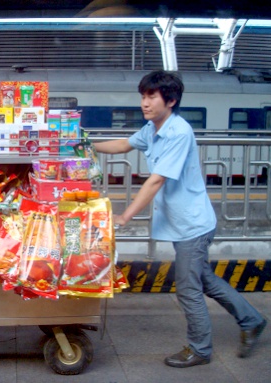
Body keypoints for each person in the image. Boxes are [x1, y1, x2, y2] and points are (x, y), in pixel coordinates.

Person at [94, 70, 267, 368]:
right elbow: (123, 144)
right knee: (205, 280)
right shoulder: (153, 128)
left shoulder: (178, 132)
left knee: (188, 288)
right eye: (143, 96)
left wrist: (126, 215)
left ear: (170, 100)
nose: (144, 103)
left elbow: (156, 181)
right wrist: (85, 144)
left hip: (192, 226)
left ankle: (200, 349)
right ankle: (252, 320)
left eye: (152, 97)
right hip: (184, 222)